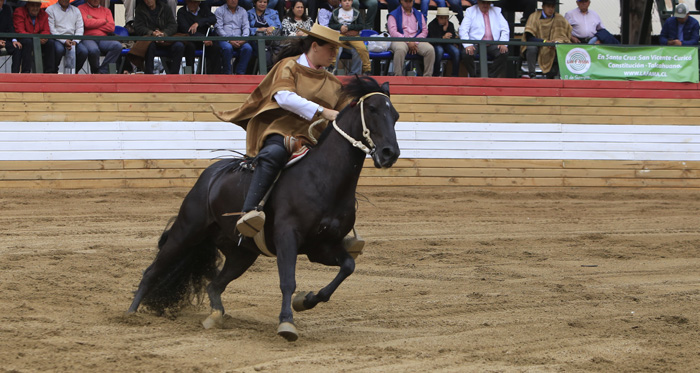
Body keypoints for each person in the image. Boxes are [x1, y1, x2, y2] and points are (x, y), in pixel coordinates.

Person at [211, 23, 354, 239]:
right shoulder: (288, 66)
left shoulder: (334, 83)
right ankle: (249, 212)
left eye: (336, 50)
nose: (335, 55)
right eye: (331, 49)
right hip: (283, 131)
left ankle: (340, 229)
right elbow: (283, 97)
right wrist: (322, 111)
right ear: (315, 46)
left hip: (316, 141)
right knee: (273, 154)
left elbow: (347, 112)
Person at [520, 0, 571, 79]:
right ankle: (532, 73)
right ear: (543, 7)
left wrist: (556, 42)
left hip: (553, 45)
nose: (551, 9)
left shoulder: (559, 18)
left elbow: (563, 36)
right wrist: (544, 42)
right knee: (531, 48)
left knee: (562, 48)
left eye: (553, 7)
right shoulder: (533, 17)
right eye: (548, 6)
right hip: (537, 43)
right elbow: (529, 37)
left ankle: (557, 74)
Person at [132, 0, 186, 74]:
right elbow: (139, 27)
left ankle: (174, 74)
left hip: (165, 39)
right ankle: (149, 74)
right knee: (149, 46)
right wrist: (152, 33)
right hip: (150, 39)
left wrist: (164, 34)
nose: (148, 1)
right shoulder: (139, 10)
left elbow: (173, 25)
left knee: (179, 46)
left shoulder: (166, 8)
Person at [459, 0, 509, 78]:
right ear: (478, 2)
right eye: (483, 2)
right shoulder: (471, 11)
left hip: (492, 43)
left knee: (503, 53)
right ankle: (474, 76)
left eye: (488, 3)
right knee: (466, 54)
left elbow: (505, 29)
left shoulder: (496, 11)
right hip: (475, 43)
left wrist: (503, 43)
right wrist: (468, 45)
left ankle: (490, 76)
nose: (485, 5)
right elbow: (463, 29)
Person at [387, 0, 434, 76]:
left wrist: (415, 41)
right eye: (406, 1)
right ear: (401, 1)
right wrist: (408, 41)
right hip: (400, 40)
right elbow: (393, 32)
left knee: (430, 50)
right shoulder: (393, 15)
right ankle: (398, 76)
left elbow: (425, 30)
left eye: (410, 1)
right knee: (400, 49)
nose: (408, 3)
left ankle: (427, 77)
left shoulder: (419, 14)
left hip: (416, 40)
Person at [78, 0, 123, 74]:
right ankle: (95, 71)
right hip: (88, 38)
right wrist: (104, 21)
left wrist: (93, 20)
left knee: (117, 46)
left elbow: (111, 27)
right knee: (93, 50)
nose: (96, 0)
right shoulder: (81, 8)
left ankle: (102, 71)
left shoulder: (106, 10)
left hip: (103, 38)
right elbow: (87, 24)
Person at [13, 0, 57, 73]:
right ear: (27, 5)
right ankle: (26, 71)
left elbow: (46, 30)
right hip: (24, 39)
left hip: (38, 39)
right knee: (28, 42)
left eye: (37, 6)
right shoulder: (19, 12)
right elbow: (20, 31)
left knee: (50, 43)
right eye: (33, 5)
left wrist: (42, 37)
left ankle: (49, 72)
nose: (35, 8)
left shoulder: (43, 14)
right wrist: (35, 38)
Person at [178, 0, 221, 73]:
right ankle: (189, 74)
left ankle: (215, 75)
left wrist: (198, 23)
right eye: (190, 2)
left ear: (198, 3)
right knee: (189, 48)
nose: (192, 4)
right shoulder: (181, 12)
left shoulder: (203, 9)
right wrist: (202, 39)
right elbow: (186, 29)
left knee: (216, 47)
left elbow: (213, 19)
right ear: (186, 2)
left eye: (195, 2)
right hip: (191, 39)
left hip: (205, 38)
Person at [328, 0, 370, 75]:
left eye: (349, 0)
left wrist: (349, 27)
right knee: (334, 45)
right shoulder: (336, 12)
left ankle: (367, 69)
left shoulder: (356, 12)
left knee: (362, 48)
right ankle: (332, 66)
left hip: (353, 35)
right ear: (340, 2)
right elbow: (331, 25)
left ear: (352, 2)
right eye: (344, 1)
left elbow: (361, 26)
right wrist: (340, 27)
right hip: (340, 35)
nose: (347, 2)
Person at [46, 0, 87, 73]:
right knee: (58, 50)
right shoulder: (50, 9)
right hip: (57, 38)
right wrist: (64, 41)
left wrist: (75, 41)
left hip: (73, 38)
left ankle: (74, 72)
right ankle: (54, 72)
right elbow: (51, 29)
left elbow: (80, 27)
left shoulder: (76, 10)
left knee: (83, 51)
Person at [215, 0, 253, 74]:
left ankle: (240, 73)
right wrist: (229, 40)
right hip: (224, 39)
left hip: (240, 38)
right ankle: (227, 72)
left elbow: (246, 27)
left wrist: (244, 39)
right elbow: (218, 28)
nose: (233, 1)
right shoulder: (219, 10)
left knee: (248, 48)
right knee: (227, 48)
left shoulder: (243, 11)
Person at [247, 0, 281, 72]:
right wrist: (258, 29)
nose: (262, 4)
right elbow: (246, 28)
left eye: (265, 2)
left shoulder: (273, 12)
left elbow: (279, 26)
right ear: (255, 3)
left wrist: (272, 28)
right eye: (260, 2)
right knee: (266, 55)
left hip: (271, 39)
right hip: (256, 40)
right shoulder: (249, 13)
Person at [428, 7, 459, 77]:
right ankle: (436, 74)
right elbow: (432, 39)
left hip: (447, 44)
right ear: (437, 17)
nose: (444, 20)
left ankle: (455, 75)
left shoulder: (450, 25)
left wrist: (447, 37)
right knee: (439, 51)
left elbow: (453, 37)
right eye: (442, 18)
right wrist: (443, 36)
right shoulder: (432, 25)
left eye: (446, 18)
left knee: (456, 52)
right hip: (436, 44)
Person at [0, 0, 22, 73]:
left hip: (4, 40)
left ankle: (15, 76)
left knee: (17, 48)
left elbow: (10, 25)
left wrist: (14, 40)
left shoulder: (6, 8)